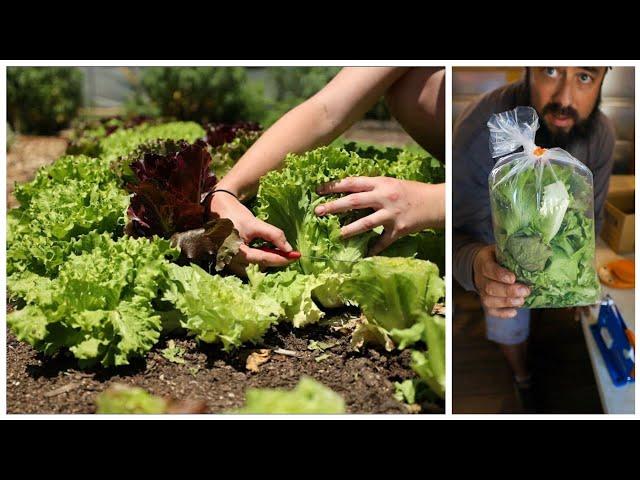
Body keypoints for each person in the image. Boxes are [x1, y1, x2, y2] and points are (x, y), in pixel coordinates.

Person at [452, 67, 615, 412]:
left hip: (561, 270)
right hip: (498, 265)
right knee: (509, 322)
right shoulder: (482, 126)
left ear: (603, 78)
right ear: (527, 70)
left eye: (585, 76)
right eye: (551, 70)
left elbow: (593, 216)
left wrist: (582, 270)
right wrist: (475, 265)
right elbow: (451, 228)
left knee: (552, 314)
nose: (565, 98)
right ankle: (522, 377)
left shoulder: (600, 135)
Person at [209, 67, 445, 272]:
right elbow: (327, 109)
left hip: (473, 204)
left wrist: (432, 201)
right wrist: (226, 193)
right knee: (415, 83)